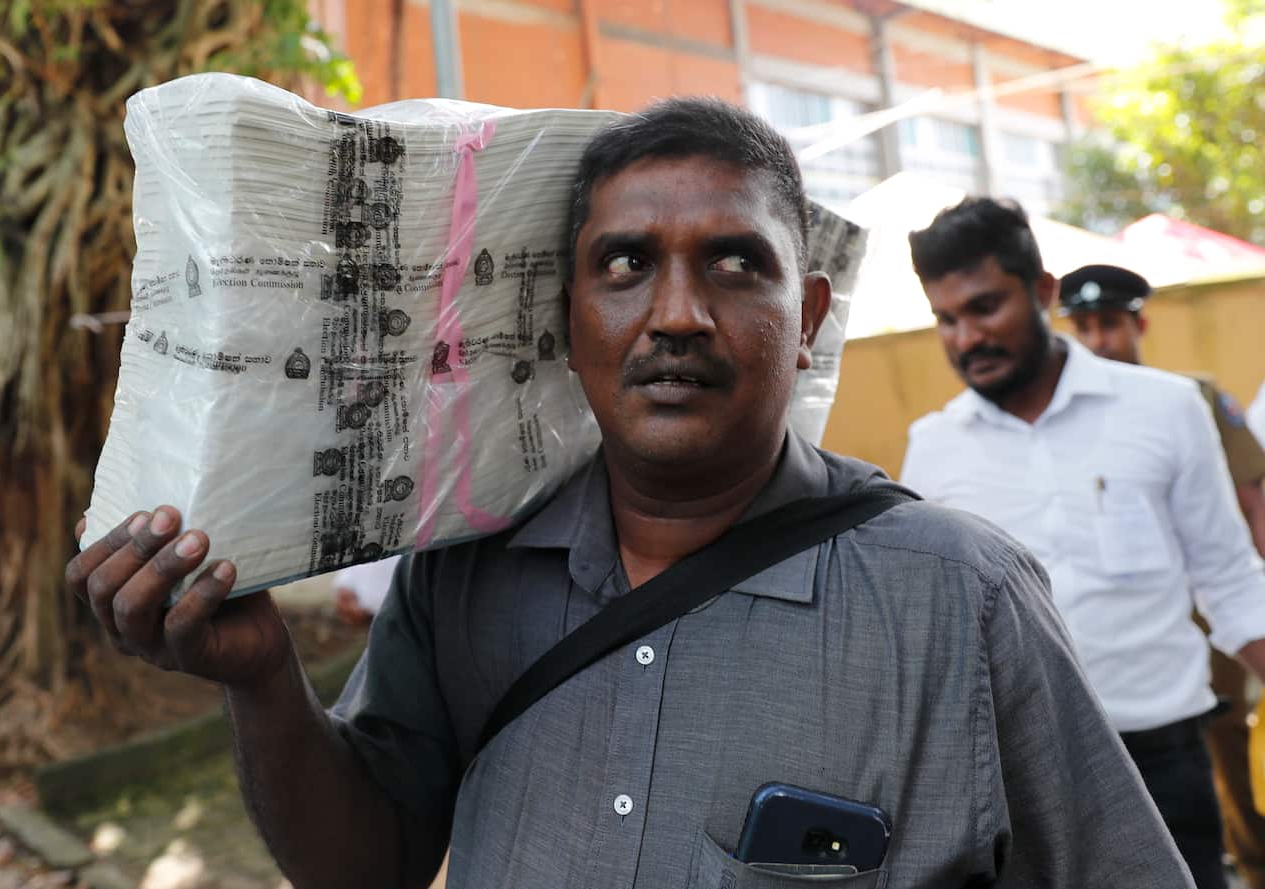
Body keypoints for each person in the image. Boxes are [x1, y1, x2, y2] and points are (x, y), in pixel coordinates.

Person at [66, 100, 1192, 888]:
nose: (674, 314)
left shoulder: (959, 596)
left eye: (732, 264)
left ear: (803, 320)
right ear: (566, 321)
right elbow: (366, 867)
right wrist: (264, 682)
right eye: (623, 265)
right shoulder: (462, 569)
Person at [901, 197, 1265, 889]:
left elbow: (1230, 578)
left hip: (1161, 765)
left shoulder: (1165, 409)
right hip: (1011, 783)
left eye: (984, 308)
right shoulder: (933, 449)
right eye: (946, 319)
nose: (965, 338)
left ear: (1041, 291)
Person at [1058, 262, 1265, 889]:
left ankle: (1250, 865)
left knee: (1225, 734)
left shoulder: (1191, 397)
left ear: (1139, 323)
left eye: (1112, 325)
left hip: (1204, 609)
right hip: (1120, 625)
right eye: (1086, 327)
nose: (1101, 340)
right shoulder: (1063, 411)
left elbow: (1252, 498)